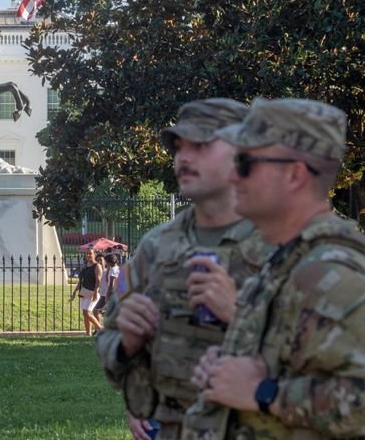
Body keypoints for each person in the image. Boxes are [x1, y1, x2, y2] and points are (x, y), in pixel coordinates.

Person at [184, 99, 365, 439]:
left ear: (294, 174)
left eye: (245, 163)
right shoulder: (288, 260)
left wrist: (263, 393)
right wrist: (227, 368)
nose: (232, 176)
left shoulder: (332, 269)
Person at [95, 98, 271, 440]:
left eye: (201, 145)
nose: (183, 158)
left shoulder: (287, 245)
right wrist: (127, 347)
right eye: (179, 147)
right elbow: (110, 336)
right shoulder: (156, 246)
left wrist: (239, 317)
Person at [70, 248, 104, 336]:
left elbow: (98, 281)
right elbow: (81, 281)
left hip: (93, 292)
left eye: (90, 253)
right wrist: (74, 292)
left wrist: (95, 292)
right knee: (85, 314)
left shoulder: (97, 266)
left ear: (94, 255)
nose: (88, 255)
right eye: (87, 253)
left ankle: (101, 329)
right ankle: (88, 333)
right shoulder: (85, 266)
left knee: (87, 312)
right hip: (84, 291)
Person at [94, 252, 120, 322]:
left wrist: (107, 297)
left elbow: (111, 285)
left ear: (109, 262)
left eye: (105, 261)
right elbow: (107, 279)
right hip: (114, 294)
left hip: (110, 294)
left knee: (98, 310)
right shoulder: (116, 268)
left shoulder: (113, 270)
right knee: (106, 312)